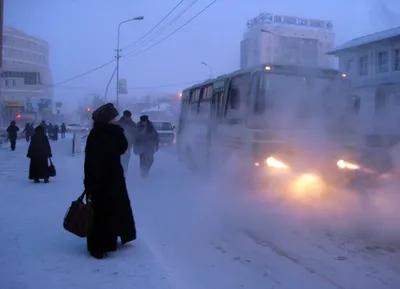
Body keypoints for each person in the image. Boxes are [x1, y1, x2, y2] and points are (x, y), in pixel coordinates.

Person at [84, 103, 136, 259]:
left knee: (100, 213)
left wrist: (88, 182)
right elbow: (122, 148)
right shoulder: (114, 133)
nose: (115, 120)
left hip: (97, 179)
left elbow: (89, 160)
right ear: (107, 119)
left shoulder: (94, 134)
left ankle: (99, 247)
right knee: (110, 211)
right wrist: (118, 132)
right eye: (113, 118)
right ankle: (105, 245)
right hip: (112, 178)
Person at [117, 110, 136, 177]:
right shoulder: (118, 123)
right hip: (119, 145)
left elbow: (135, 134)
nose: (127, 118)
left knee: (126, 160)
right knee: (120, 160)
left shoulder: (133, 124)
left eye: (128, 116)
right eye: (126, 116)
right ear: (124, 116)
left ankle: (124, 173)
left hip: (128, 145)